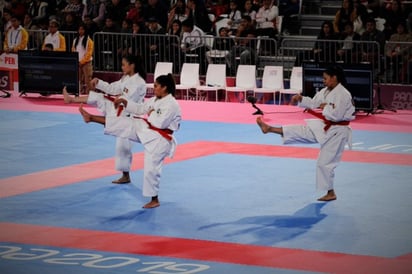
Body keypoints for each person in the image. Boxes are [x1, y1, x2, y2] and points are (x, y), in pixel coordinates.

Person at [78, 73, 182, 209]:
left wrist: (150, 113)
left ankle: (154, 199)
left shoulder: (171, 104)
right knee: (124, 122)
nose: (154, 88)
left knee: (151, 169)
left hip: (160, 139)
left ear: (164, 88)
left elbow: (160, 123)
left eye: (156, 86)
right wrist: (125, 102)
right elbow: (140, 109)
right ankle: (91, 118)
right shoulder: (156, 100)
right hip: (149, 130)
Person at [256, 65, 355, 202]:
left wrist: (325, 107)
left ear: (334, 78)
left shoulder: (343, 94)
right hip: (327, 127)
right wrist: (301, 99)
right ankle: (270, 129)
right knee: (301, 131)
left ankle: (330, 192)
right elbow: (314, 102)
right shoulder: (326, 91)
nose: (324, 81)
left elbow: (336, 116)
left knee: (324, 163)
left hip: (338, 131)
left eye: (326, 78)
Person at [63, 55, 147, 185]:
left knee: (122, 147)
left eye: (124, 64)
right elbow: (114, 88)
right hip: (118, 109)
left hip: (130, 116)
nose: (122, 67)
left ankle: (126, 175)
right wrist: (99, 82)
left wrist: (119, 99)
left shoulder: (139, 83)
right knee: (99, 98)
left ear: (132, 65)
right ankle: (71, 100)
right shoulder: (126, 78)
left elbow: (129, 100)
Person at [72, 24, 94, 94]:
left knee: (87, 79)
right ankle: (79, 92)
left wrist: (82, 61)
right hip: (78, 62)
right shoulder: (75, 40)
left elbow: (89, 53)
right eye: (79, 29)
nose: (80, 31)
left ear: (85, 30)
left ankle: (90, 94)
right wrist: (76, 60)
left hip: (86, 62)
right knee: (79, 79)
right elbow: (73, 50)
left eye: (82, 29)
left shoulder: (89, 41)